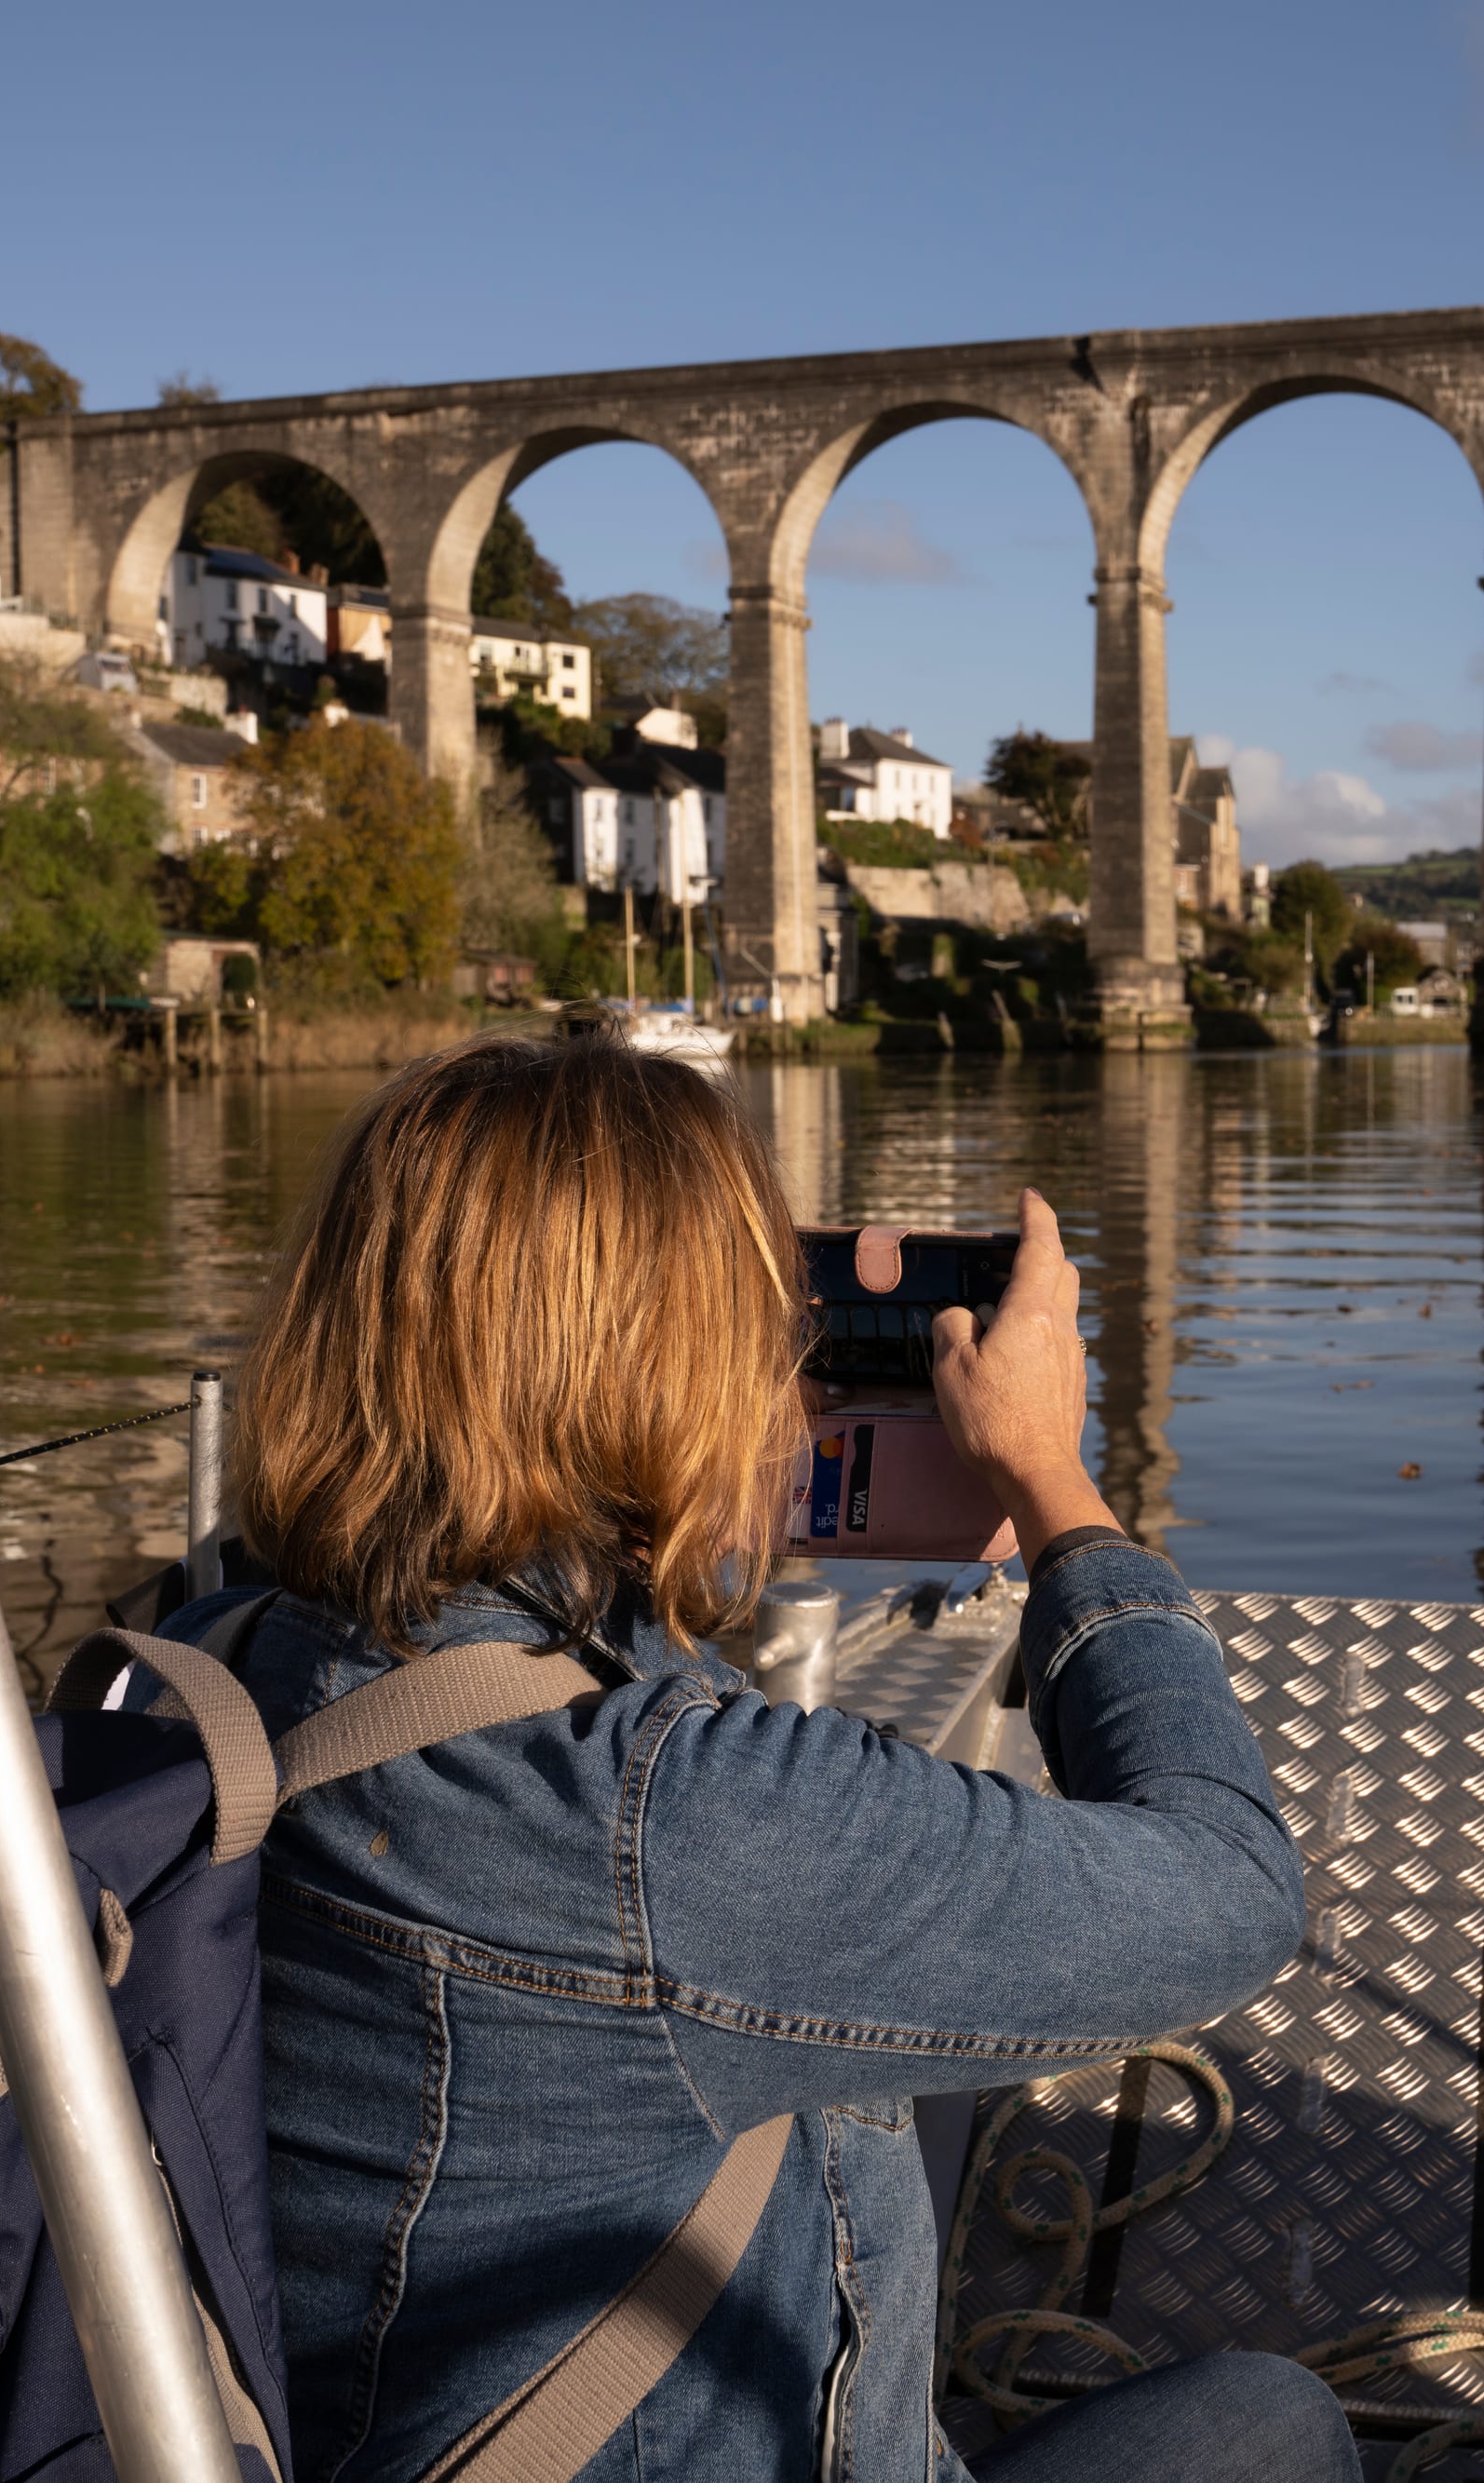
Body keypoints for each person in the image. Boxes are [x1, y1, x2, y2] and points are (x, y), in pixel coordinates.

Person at [193, 1015, 1356, 2483]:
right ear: (670, 1373)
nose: (794, 1378)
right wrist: (1056, 1484)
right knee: (1271, 2424)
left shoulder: (230, 1660)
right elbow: (1236, 1887)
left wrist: (691, 1515)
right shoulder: (679, 1823)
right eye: (761, 1335)